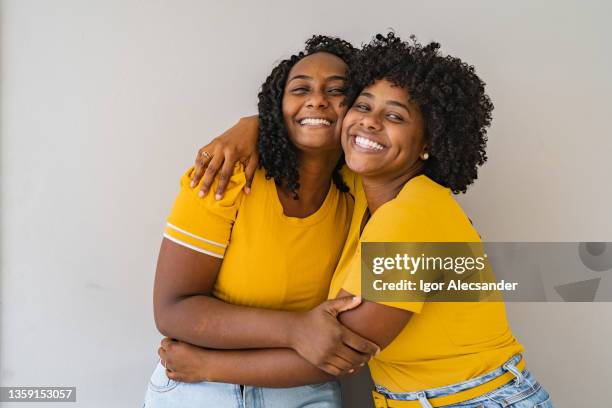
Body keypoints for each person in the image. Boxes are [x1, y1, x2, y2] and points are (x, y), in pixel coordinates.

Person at [171, 33, 554, 407]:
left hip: (474, 399)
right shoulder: (367, 194)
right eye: (363, 106)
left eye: (394, 116)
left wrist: (205, 364)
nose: (369, 123)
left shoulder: (411, 215)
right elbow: (314, 128)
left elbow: (340, 348)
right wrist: (252, 124)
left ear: (428, 143)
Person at [144, 35, 381, 408]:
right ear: (277, 105)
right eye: (300, 89)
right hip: (200, 390)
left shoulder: (367, 191)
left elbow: (344, 347)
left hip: (302, 389)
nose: (316, 99)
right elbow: (172, 310)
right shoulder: (226, 175)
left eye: (337, 90)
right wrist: (296, 329)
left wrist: (210, 364)